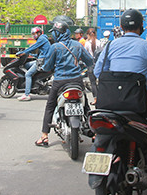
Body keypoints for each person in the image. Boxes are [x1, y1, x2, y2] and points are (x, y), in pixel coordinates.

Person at [94, 9, 147, 168]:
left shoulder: (110, 46)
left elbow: (98, 72)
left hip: (108, 104)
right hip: (138, 104)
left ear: (121, 26)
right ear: (142, 26)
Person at [35, 18, 93, 147]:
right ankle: (93, 132)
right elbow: (89, 61)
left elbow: (48, 66)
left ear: (57, 33)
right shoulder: (78, 45)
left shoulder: (55, 47)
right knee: (86, 106)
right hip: (77, 81)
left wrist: (45, 67)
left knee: (50, 105)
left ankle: (44, 136)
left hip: (60, 81)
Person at [16, 27, 51, 101]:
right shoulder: (42, 39)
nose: (33, 36)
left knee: (28, 74)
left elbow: (33, 47)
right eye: (32, 34)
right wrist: (32, 55)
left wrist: (23, 52)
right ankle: (32, 82)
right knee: (27, 65)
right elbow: (41, 52)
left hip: (42, 61)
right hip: (41, 59)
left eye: (34, 34)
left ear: (39, 33)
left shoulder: (42, 39)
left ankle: (26, 94)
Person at [84, 28, 101, 105]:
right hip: (98, 64)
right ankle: (102, 98)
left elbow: (85, 54)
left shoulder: (87, 43)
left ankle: (95, 99)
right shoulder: (99, 42)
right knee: (100, 82)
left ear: (88, 35)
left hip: (91, 65)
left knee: (93, 83)